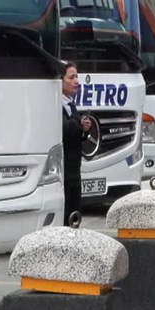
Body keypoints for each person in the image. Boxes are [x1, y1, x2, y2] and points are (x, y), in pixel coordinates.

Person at [60, 62, 91, 226]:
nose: (76, 81)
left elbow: (76, 132)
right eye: (71, 77)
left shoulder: (71, 105)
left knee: (75, 216)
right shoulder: (56, 105)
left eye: (77, 77)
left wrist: (85, 129)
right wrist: (78, 122)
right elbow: (67, 129)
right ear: (60, 81)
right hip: (63, 173)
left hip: (75, 172)